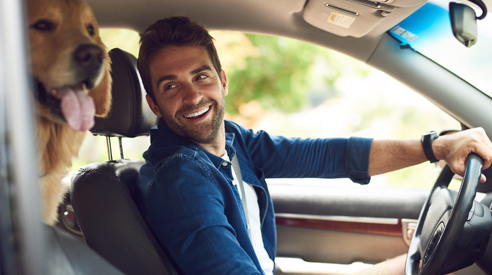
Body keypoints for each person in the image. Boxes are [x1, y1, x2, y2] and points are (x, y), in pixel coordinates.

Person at [135, 16, 492, 275]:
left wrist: (436, 146)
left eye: (201, 76)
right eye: (171, 86)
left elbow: (328, 154)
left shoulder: (230, 141)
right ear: (154, 105)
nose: (193, 95)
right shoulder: (180, 179)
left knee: (403, 266)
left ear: (222, 80)